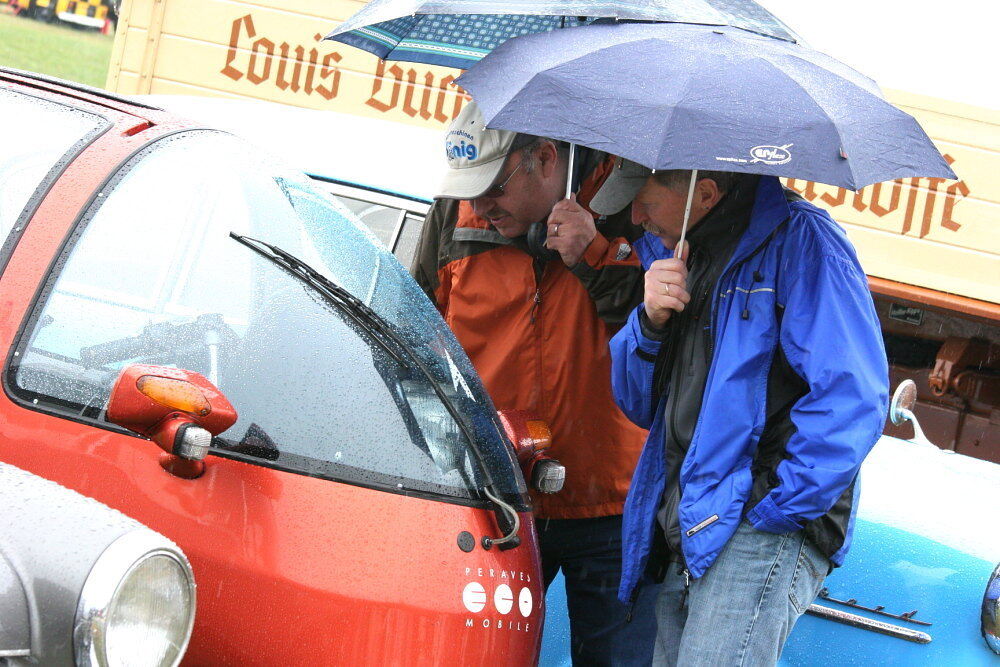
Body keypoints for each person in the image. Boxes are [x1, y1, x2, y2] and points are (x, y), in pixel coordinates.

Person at [590, 161, 889, 665]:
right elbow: (641, 406)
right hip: (697, 519)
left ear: (704, 193)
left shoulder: (802, 241)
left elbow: (852, 394)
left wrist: (773, 506)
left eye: (645, 198)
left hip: (755, 523)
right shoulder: (683, 253)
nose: (636, 216)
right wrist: (650, 322)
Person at [411, 102, 659, 663]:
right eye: (468, 188)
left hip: (614, 504)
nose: (478, 204)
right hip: (490, 500)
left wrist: (595, 256)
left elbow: (669, 336)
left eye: (493, 187)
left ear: (546, 159)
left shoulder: (641, 200)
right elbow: (409, 339)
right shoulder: (455, 215)